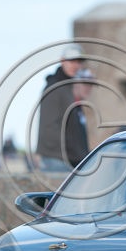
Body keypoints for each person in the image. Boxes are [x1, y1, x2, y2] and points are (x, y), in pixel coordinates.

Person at [36, 43, 86, 171]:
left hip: (70, 159)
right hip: (58, 158)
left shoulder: (70, 87)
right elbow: (49, 126)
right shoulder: (55, 88)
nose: (75, 65)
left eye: (79, 62)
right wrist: (68, 153)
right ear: (62, 61)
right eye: (71, 61)